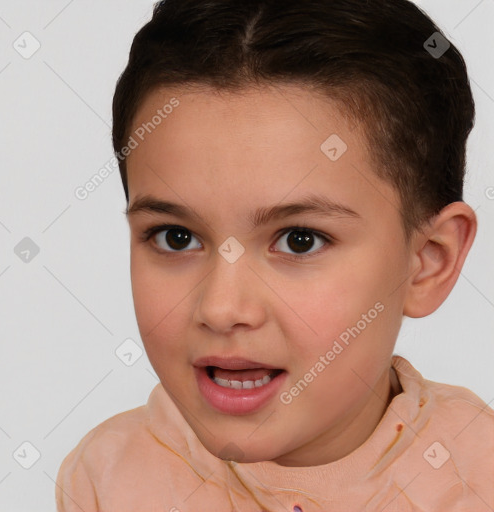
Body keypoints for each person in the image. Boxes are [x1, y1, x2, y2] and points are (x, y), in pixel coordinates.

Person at [55, 0, 494, 510]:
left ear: (427, 261)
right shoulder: (108, 480)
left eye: (299, 240)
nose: (221, 309)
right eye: (176, 237)